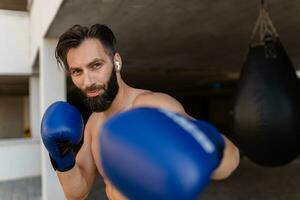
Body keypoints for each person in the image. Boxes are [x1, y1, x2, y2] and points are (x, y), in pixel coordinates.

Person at [44, 24, 240, 200]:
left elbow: (230, 161)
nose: (87, 82)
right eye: (77, 71)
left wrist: (208, 143)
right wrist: (61, 156)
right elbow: (77, 192)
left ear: (116, 62)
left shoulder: (151, 105)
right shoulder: (95, 123)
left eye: (96, 65)